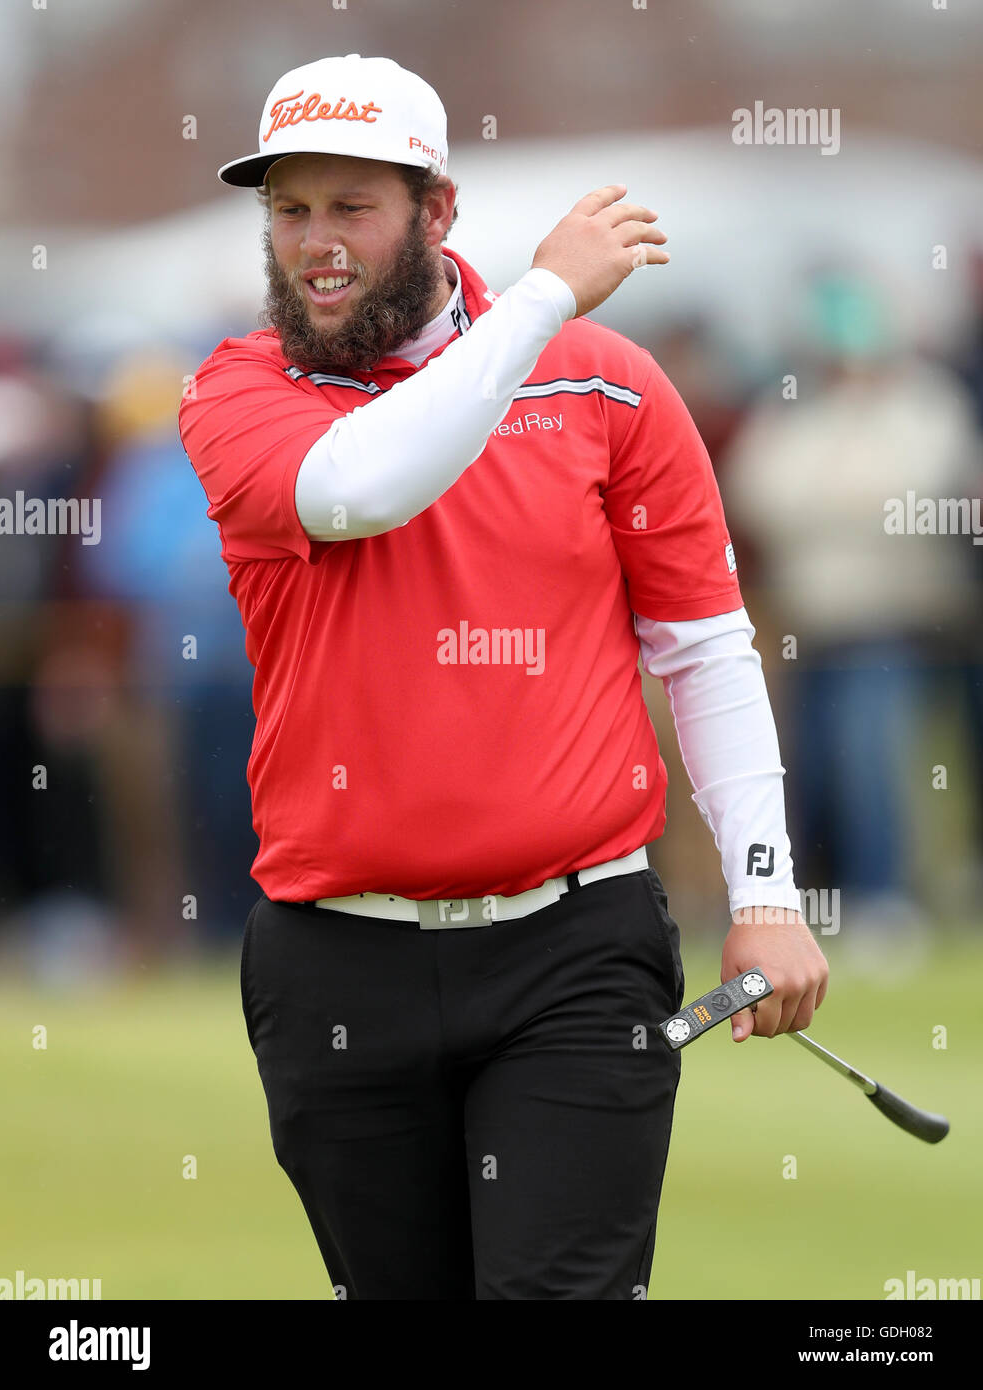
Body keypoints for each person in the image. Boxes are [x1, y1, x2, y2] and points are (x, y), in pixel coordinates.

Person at [178, 53, 828, 1301]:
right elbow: (359, 486)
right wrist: (543, 298)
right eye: (290, 208)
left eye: (351, 207)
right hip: (336, 963)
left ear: (437, 212)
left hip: (576, 950)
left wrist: (766, 889)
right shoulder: (239, 389)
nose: (316, 243)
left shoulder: (609, 383)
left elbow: (702, 645)